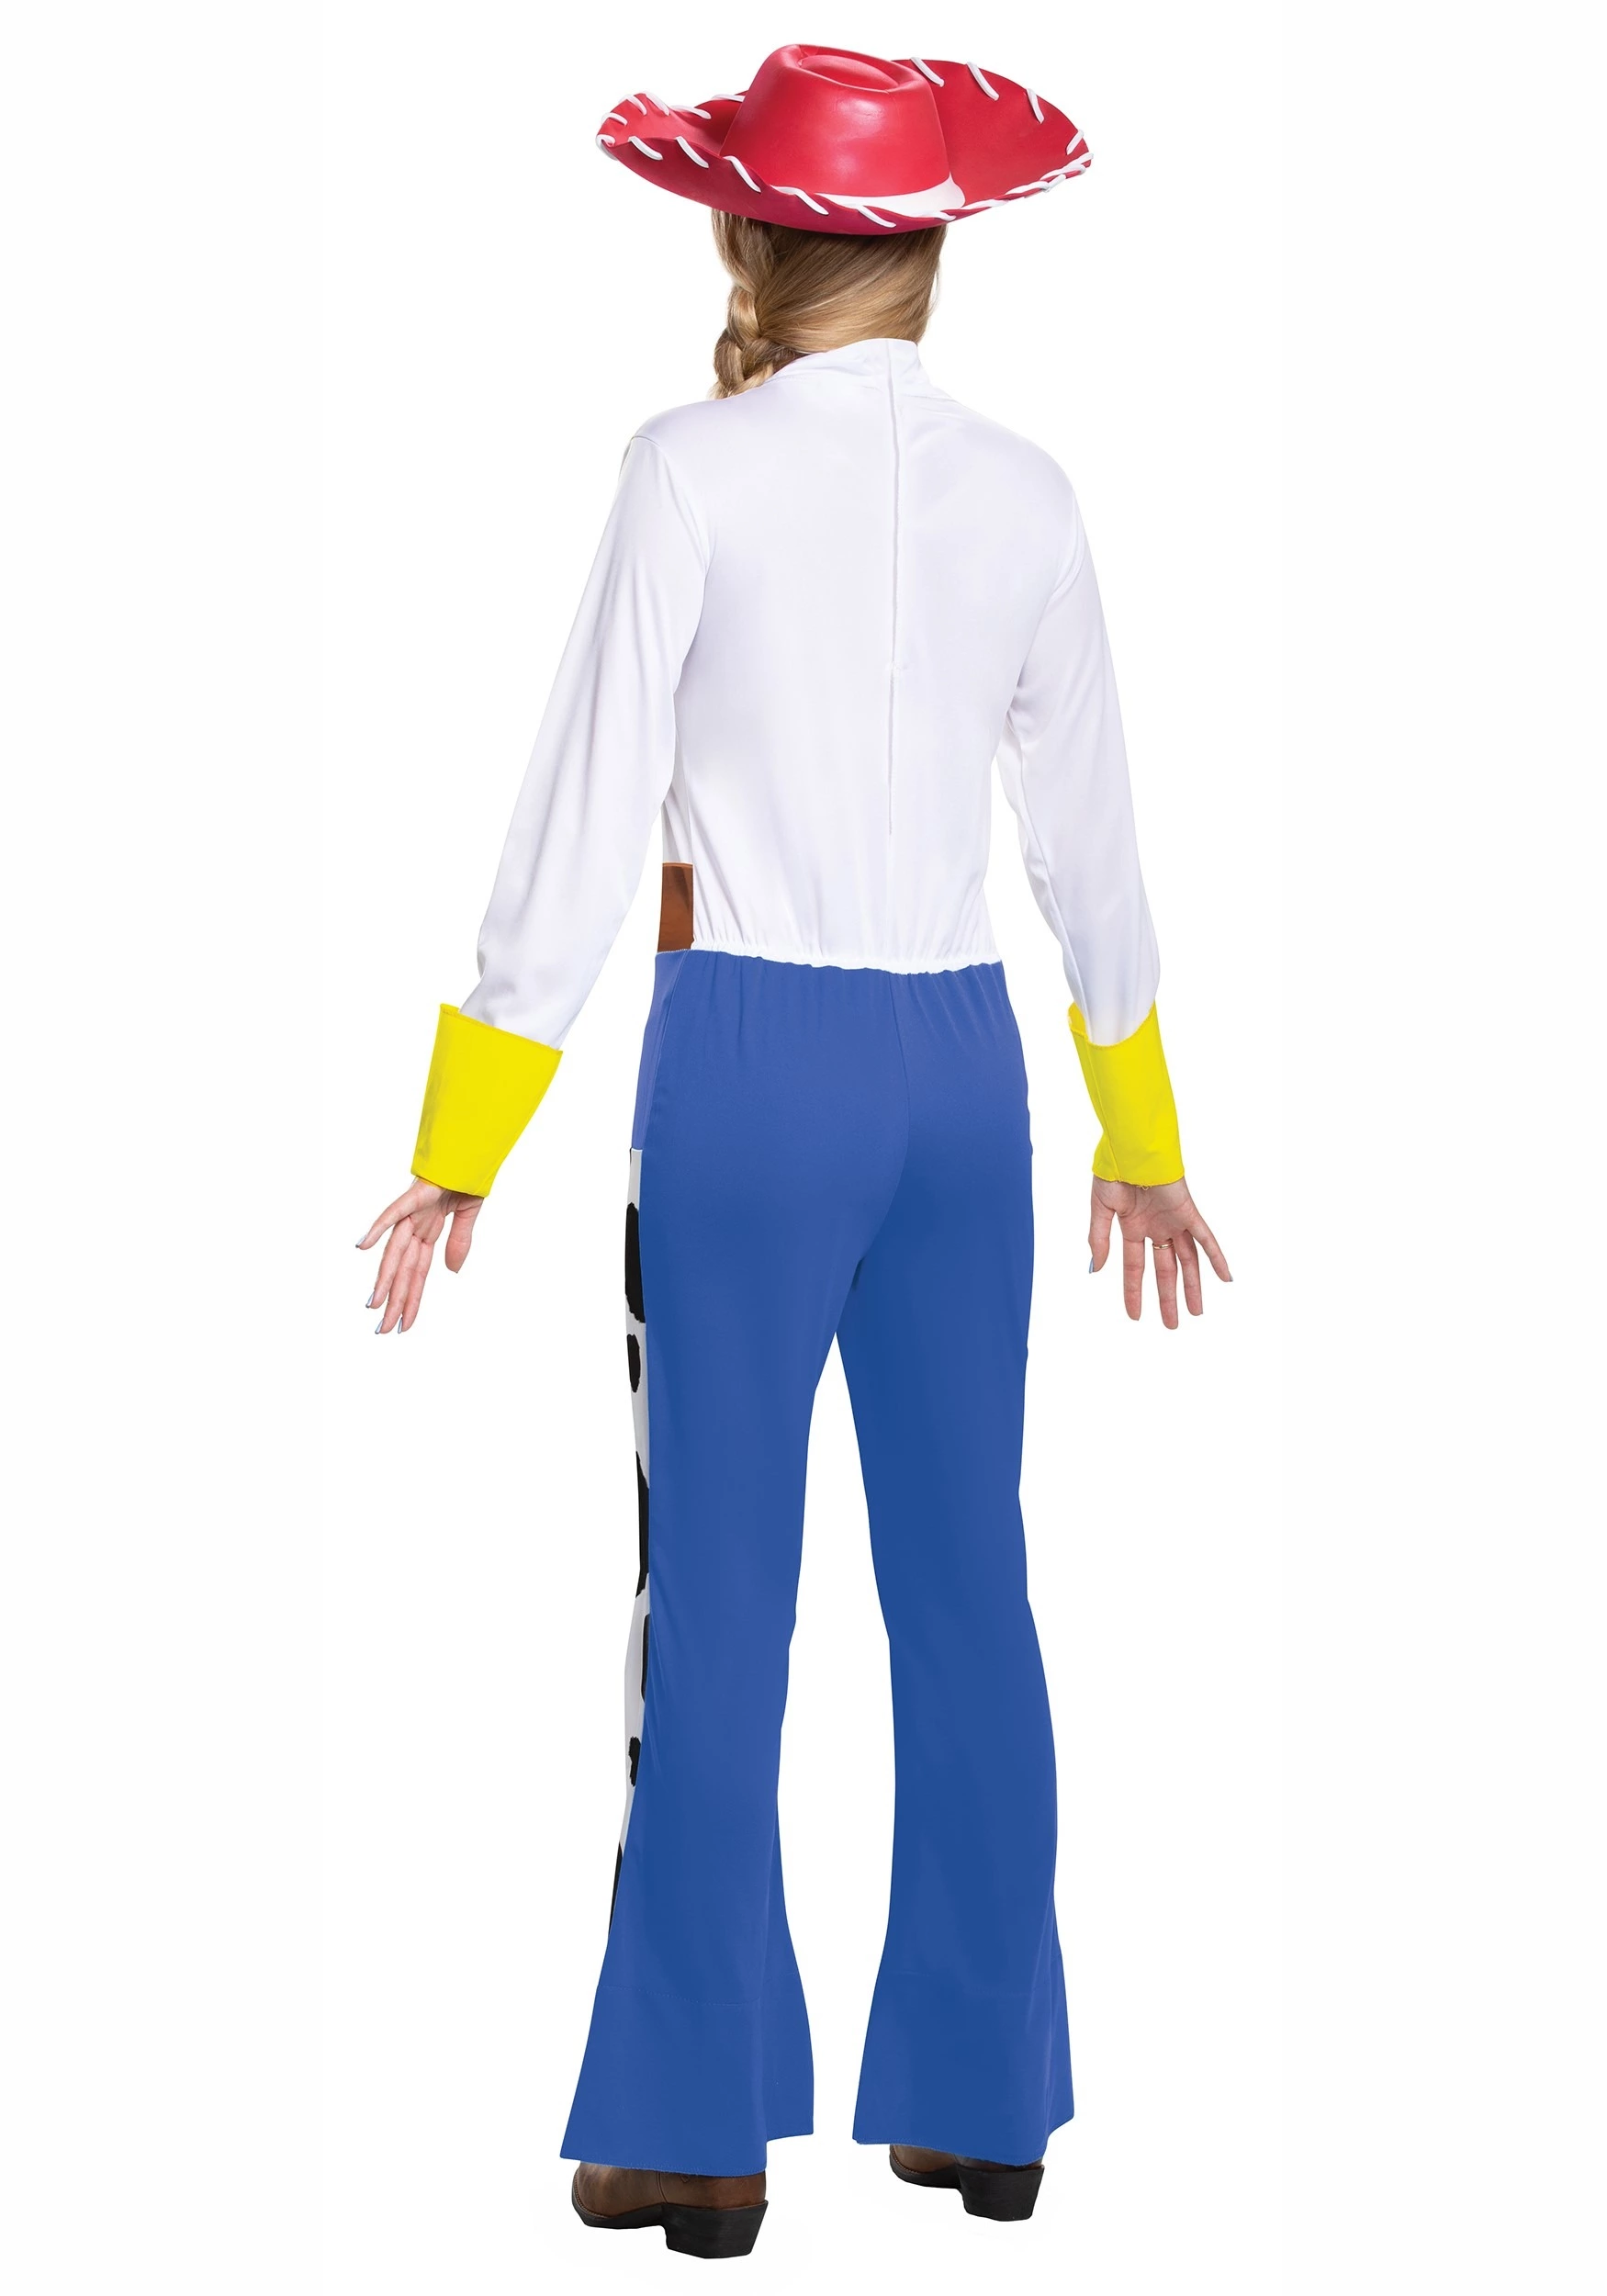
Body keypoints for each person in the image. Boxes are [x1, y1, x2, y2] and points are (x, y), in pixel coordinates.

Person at [358, 45, 1231, 2260]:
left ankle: (694, 2126)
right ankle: (982, 2097)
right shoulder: (1028, 493)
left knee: (718, 1598)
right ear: (931, 250)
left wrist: (464, 1134)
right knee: (965, 1589)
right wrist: (1138, 1131)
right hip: (959, 1076)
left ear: (745, 239)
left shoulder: (684, 470)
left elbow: (577, 817)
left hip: (746, 1066)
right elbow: (1091, 844)